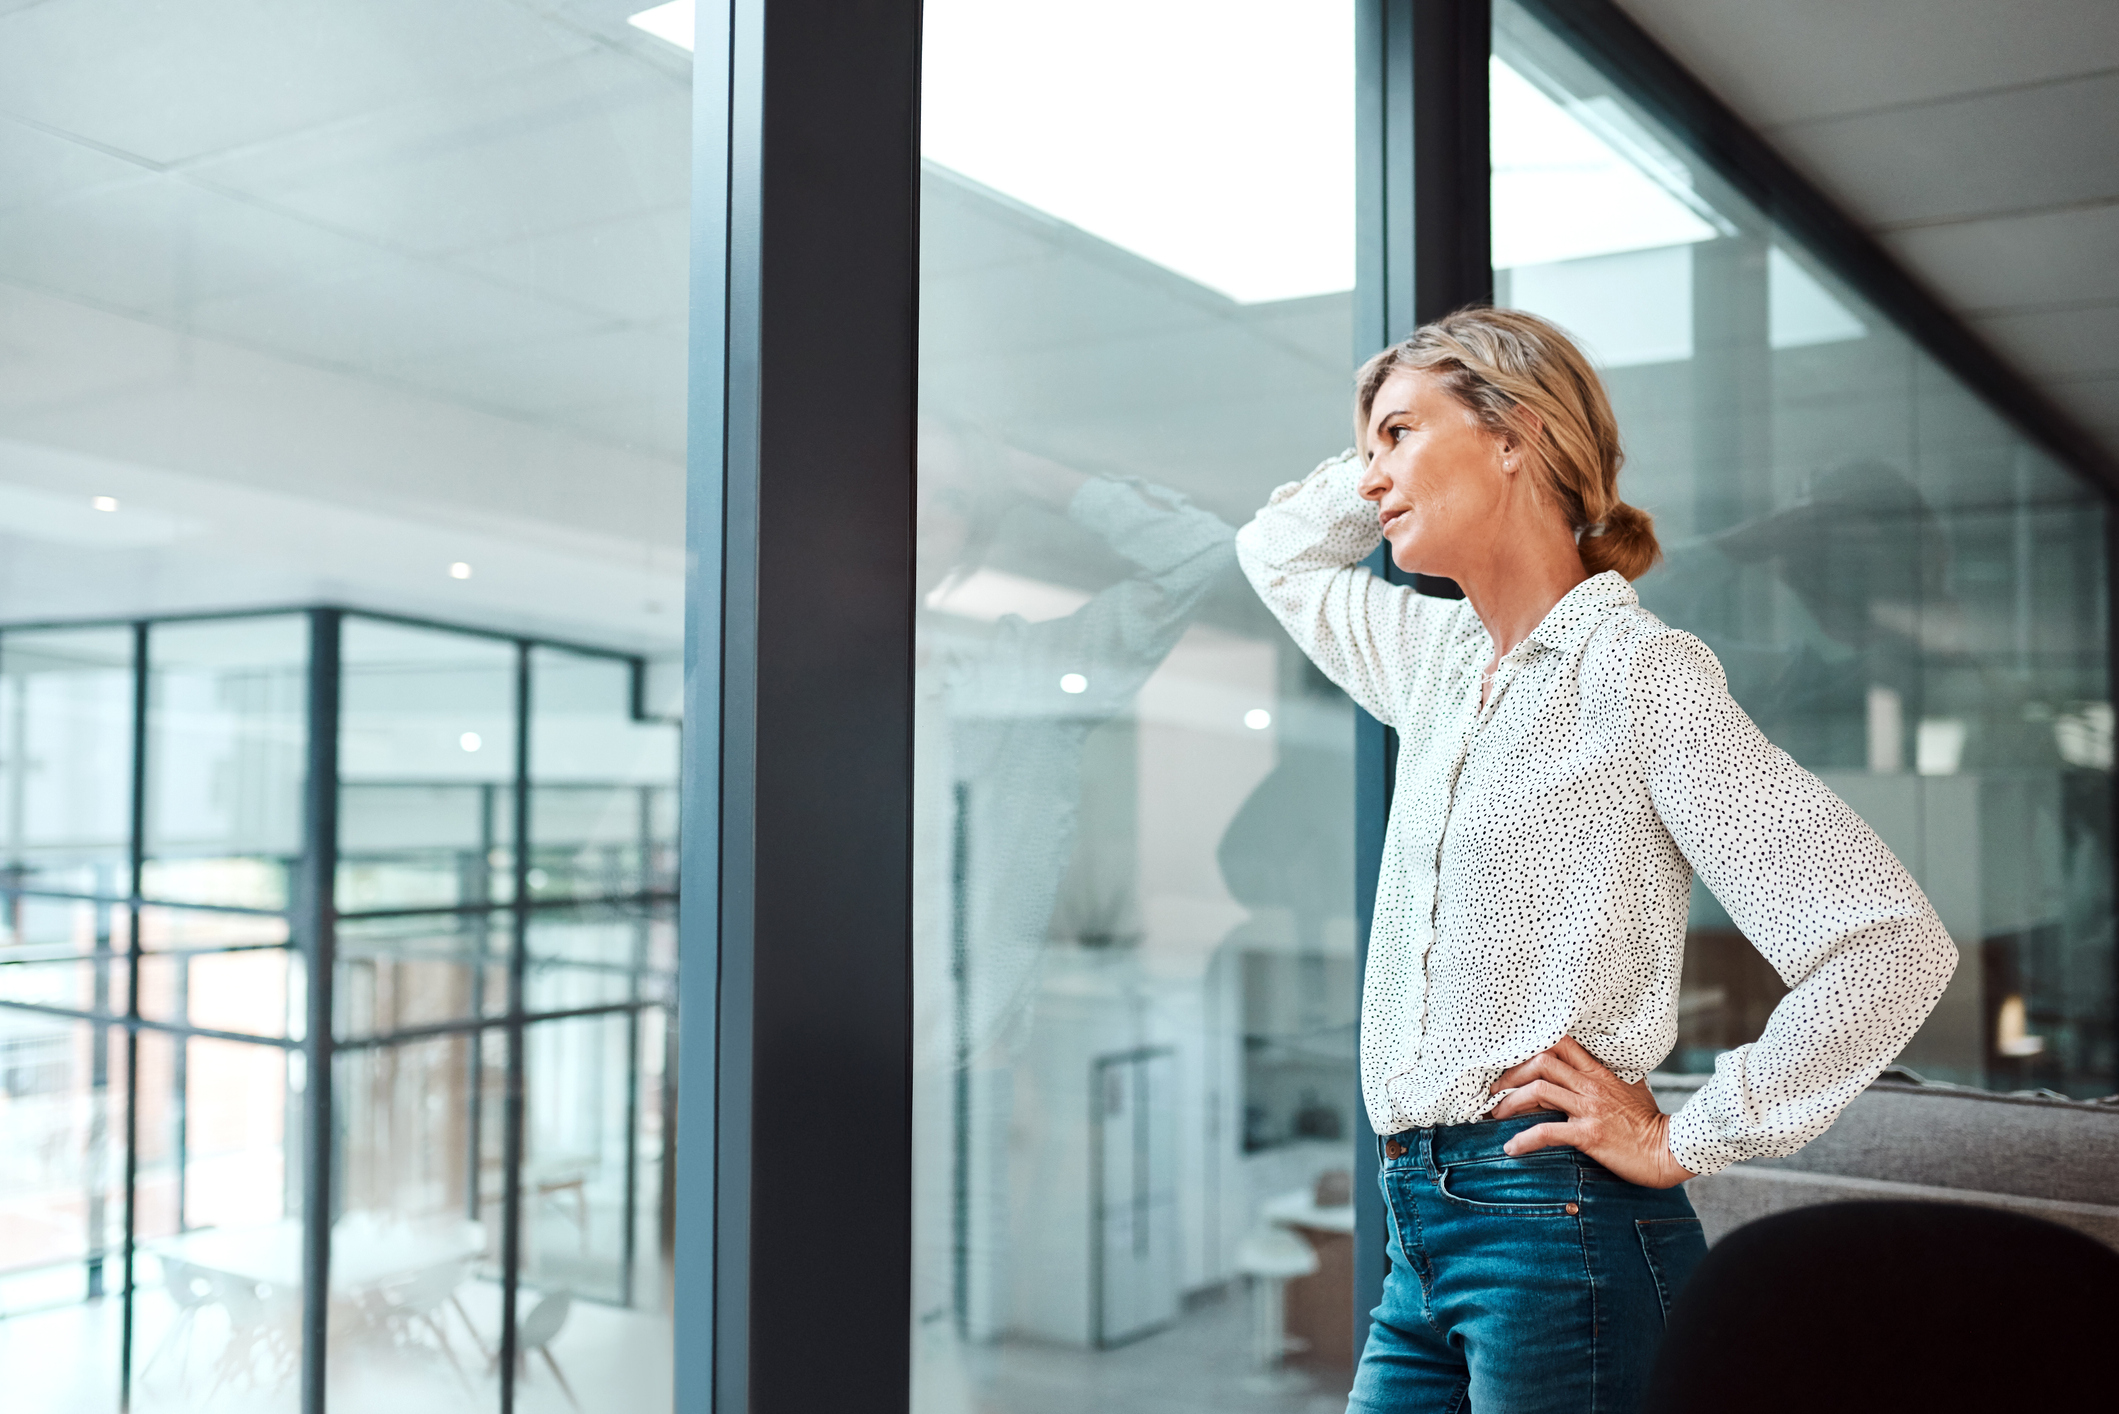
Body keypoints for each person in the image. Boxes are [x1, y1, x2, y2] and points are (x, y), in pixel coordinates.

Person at [1234, 307, 1958, 1413]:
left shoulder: (1637, 673)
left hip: (1555, 1234)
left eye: (1399, 437)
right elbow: (1274, 551)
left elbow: (1888, 945)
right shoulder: (1434, 661)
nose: (1370, 478)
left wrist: (1683, 1137)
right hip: (1416, 1232)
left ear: (1513, 434)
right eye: (1364, 451)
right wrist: (1388, 415)